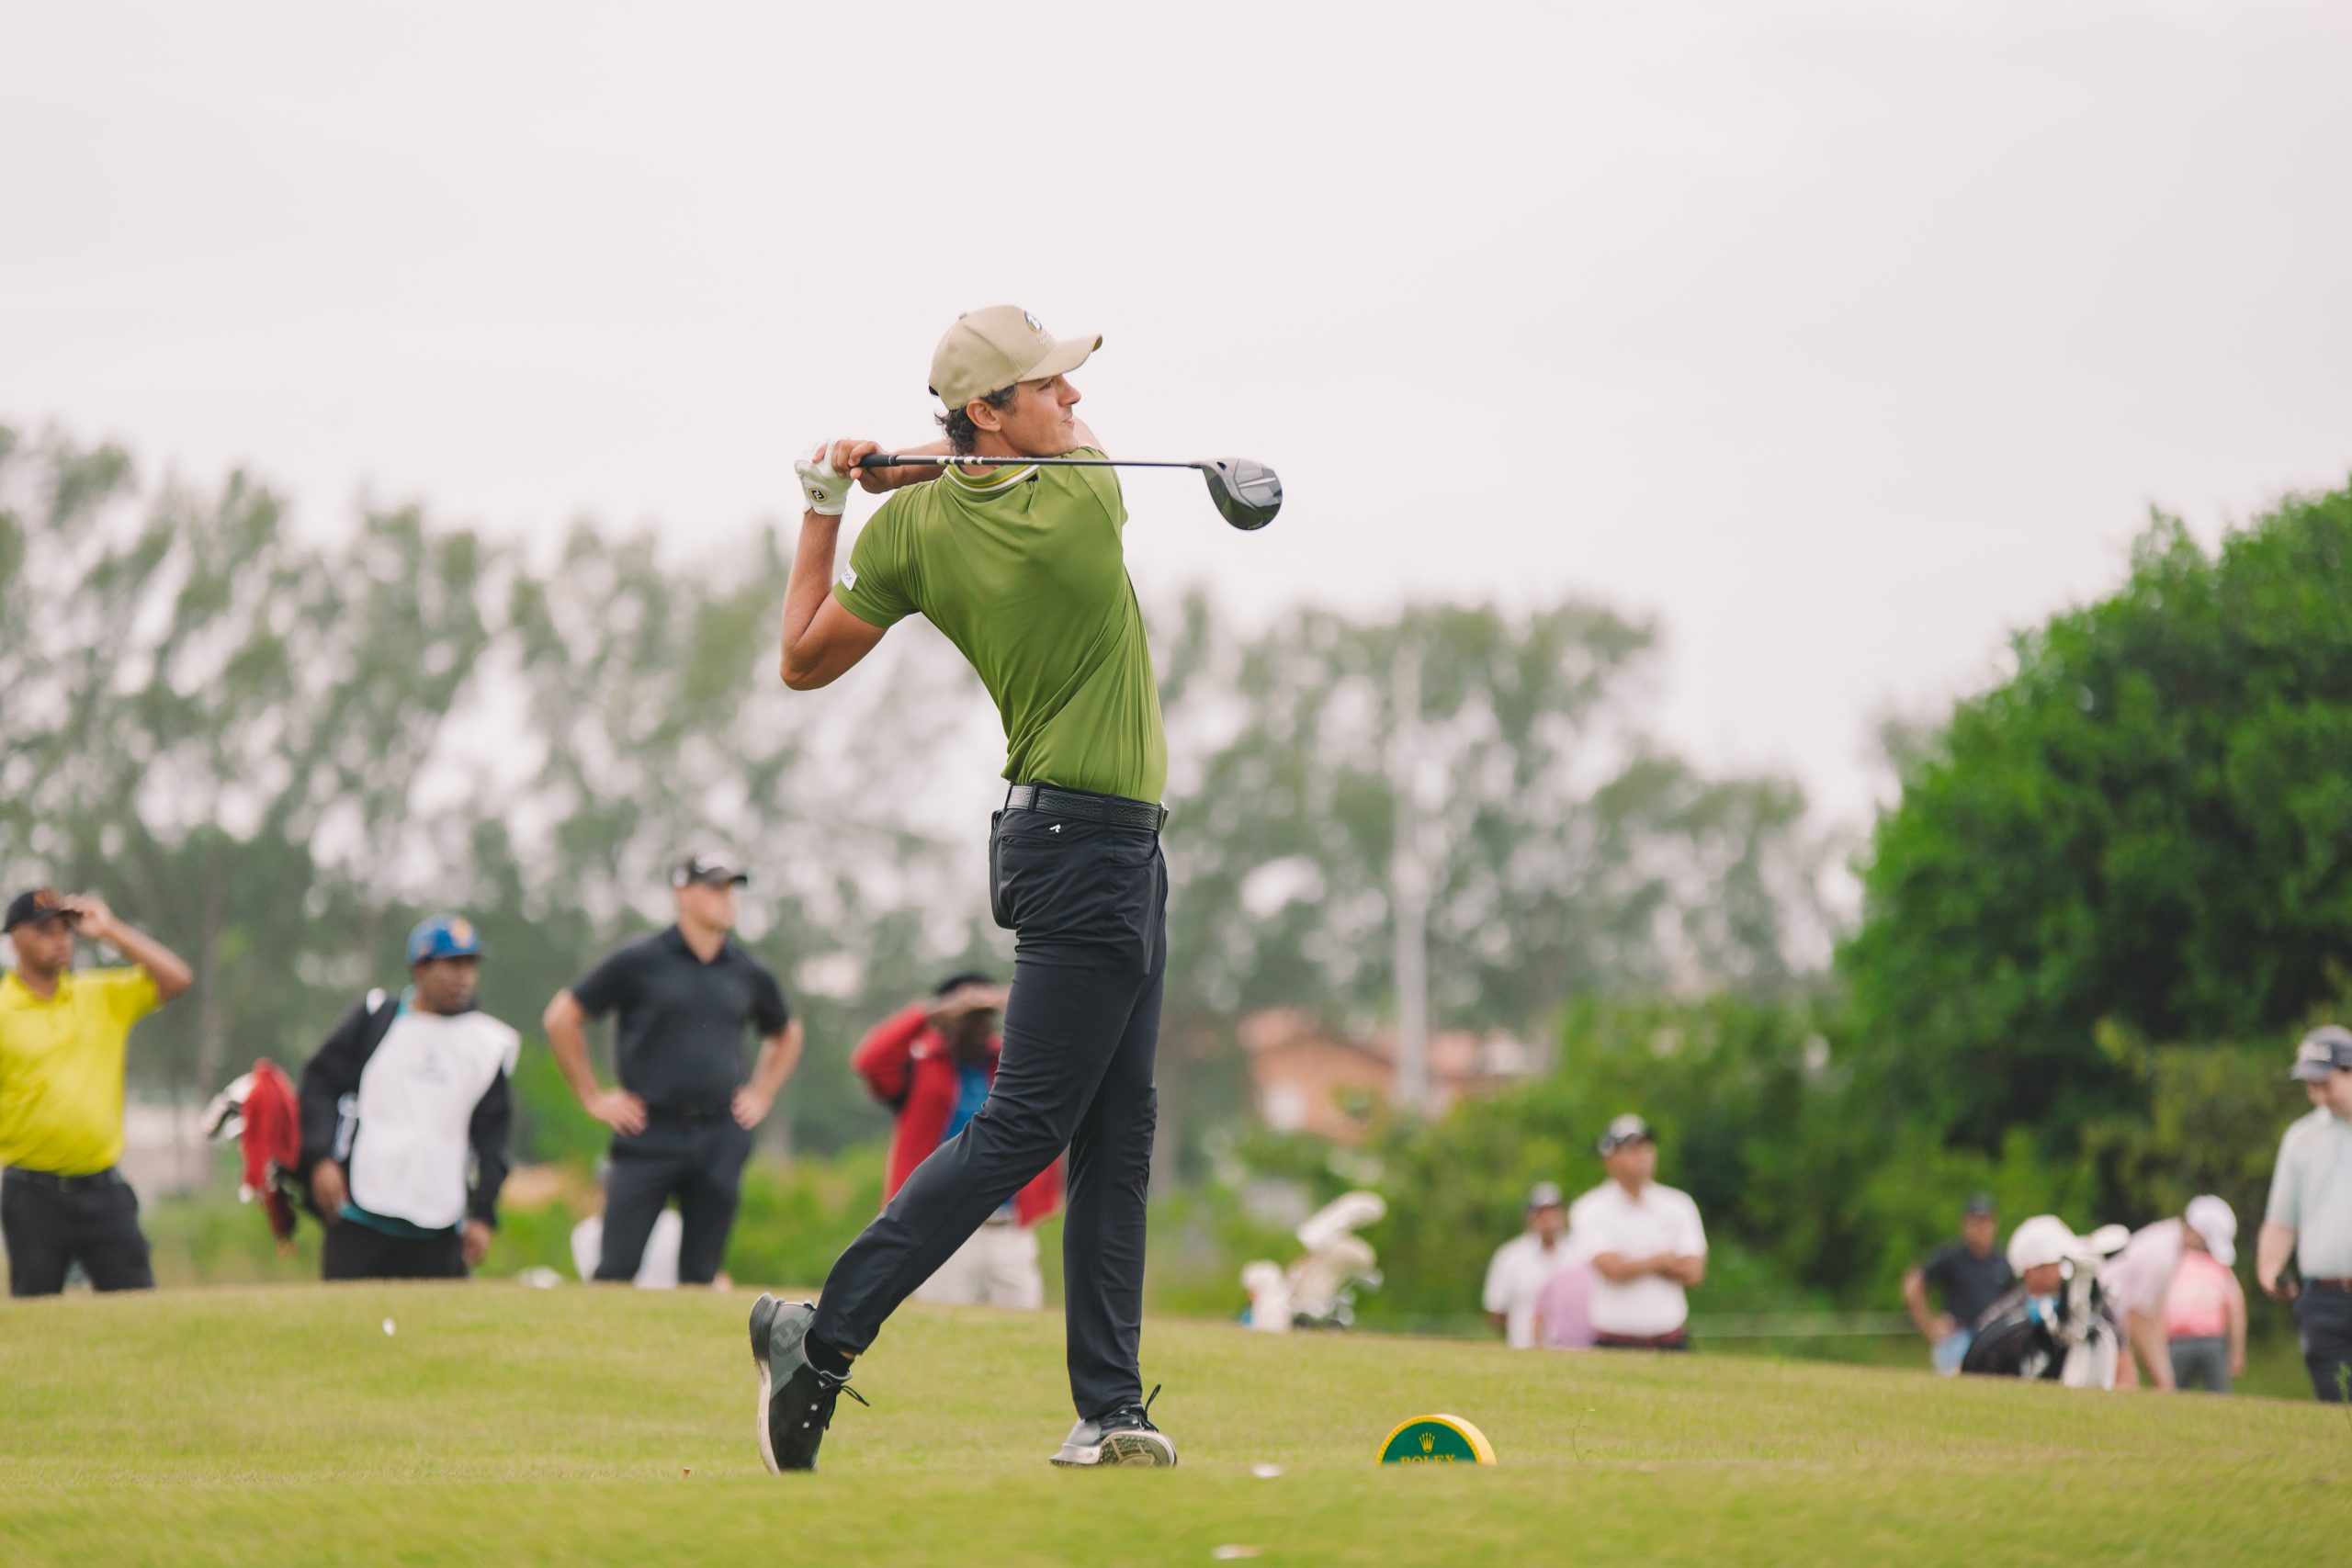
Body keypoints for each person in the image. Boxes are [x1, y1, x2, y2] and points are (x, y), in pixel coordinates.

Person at [751, 305, 1179, 1472]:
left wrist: (832, 502)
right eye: (1052, 388)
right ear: (992, 410)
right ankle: (821, 1335)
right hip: (1086, 847)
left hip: (1099, 844)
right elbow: (1008, 468)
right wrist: (921, 464)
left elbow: (798, 658)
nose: (1077, 404)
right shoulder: (1081, 502)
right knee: (1029, 1125)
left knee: (1116, 1130)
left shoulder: (915, 532)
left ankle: (1109, 1408)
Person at [543, 852, 801, 1287]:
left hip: (720, 1132)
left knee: (701, 1275)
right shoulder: (639, 960)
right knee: (615, 1270)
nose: (728, 900)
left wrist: (763, 1094)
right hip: (649, 1131)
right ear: (683, 894)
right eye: (716, 888)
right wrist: (592, 1096)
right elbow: (562, 1017)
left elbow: (787, 1032)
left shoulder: (747, 971)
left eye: (731, 889)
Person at [298, 916, 518, 1280]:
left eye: (471, 965)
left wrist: (483, 1215)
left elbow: (492, 1139)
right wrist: (320, 1159)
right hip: (359, 1214)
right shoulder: (375, 1018)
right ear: (420, 968)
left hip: (439, 1224)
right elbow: (319, 1085)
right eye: (453, 964)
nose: (465, 977)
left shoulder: (488, 1045)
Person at [0, 887, 193, 1296]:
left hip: (104, 1191)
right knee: (38, 1319)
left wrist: (110, 932)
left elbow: (177, 978)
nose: (60, 940)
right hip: (32, 1195)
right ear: (16, 938)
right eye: (46, 931)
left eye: (65, 931)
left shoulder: (99, 995)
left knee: (137, 1307)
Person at [854, 973, 1060, 1311]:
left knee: (1022, 1320)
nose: (979, 1028)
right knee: (942, 1314)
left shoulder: (1009, 1061)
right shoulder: (922, 1064)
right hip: (939, 1223)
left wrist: (1021, 1004)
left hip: (1007, 1225)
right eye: (968, 1018)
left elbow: (1061, 1060)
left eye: (984, 1019)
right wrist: (930, 1012)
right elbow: (870, 1061)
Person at [2256, 1024, 2352, 1403]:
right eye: (2310, 1086)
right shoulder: (2301, 1137)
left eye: (2324, 1083)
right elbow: (2281, 1220)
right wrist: (2269, 1269)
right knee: (2335, 1411)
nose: (2317, 1095)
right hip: (2322, 1300)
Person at [1569, 1114, 1707, 1350]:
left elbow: (1693, 1273)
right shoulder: (1589, 1208)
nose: (1643, 1155)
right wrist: (1662, 1260)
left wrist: (1634, 1263)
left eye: (1646, 1147)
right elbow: (1612, 1269)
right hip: (1614, 1342)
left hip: (1670, 1340)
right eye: (1632, 1149)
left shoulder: (1679, 1204)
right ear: (1609, 1159)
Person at [2103, 1195, 2240, 1393]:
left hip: (2113, 1318)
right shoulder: (2162, 1256)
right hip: (2104, 1314)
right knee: (2126, 1384)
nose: (2207, 1251)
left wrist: (2164, 1375)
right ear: (2195, 1233)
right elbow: (2138, 1319)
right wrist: (2162, 1379)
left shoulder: (2169, 1243)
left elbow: (2154, 1315)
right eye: (2206, 1244)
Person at [1903, 1194, 2015, 1375]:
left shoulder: (2003, 1262)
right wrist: (1929, 1326)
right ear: (1966, 1224)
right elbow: (1913, 1284)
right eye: (1976, 1222)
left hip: (1991, 1340)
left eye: (1985, 1222)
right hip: (1957, 1339)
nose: (1981, 1228)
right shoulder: (1951, 1257)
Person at [1480, 1181, 1578, 1349]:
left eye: (1553, 1211)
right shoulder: (1510, 1256)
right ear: (1530, 1217)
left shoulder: (1579, 1254)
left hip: (1573, 1351)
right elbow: (1496, 1310)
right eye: (1542, 1213)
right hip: (1524, 1349)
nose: (1549, 1219)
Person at [2161, 1214, 2247, 1394]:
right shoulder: (2171, 1263)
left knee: (2220, 1394)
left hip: (2212, 1341)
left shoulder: (2220, 1267)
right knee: (2171, 1393)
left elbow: (2236, 1309)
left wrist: (2237, 1351)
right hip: (2178, 1341)